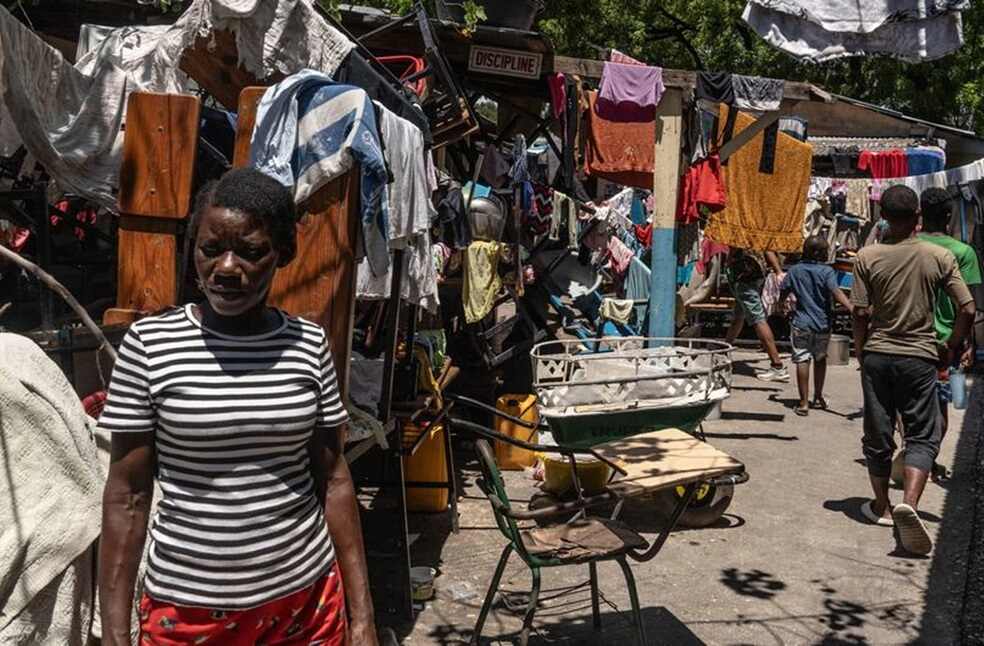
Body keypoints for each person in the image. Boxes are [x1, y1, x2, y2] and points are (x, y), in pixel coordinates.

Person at [98, 168, 378, 645]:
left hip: (305, 608)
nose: (227, 268)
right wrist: (114, 636)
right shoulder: (150, 346)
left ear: (282, 254)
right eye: (211, 250)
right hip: (187, 614)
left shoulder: (308, 346)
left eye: (250, 252)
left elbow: (333, 481)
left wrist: (363, 619)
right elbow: (128, 497)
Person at [851, 185, 975, 555]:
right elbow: (967, 308)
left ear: (883, 217)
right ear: (917, 218)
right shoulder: (938, 257)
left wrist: (861, 352)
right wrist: (952, 346)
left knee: (878, 432)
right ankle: (910, 504)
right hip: (920, 357)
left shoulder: (867, 256)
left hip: (877, 355)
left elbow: (859, 313)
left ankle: (880, 507)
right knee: (922, 434)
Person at [917, 187, 982, 442]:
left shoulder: (905, 247)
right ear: (948, 216)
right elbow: (972, 307)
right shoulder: (963, 253)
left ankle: (911, 454)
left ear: (920, 213)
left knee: (910, 404)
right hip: (948, 343)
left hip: (908, 341)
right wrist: (967, 344)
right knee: (941, 404)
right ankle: (926, 461)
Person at [779, 236, 853, 416]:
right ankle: (818, 395)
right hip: (822, 323)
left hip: (801, 323)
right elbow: (836, 293)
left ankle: (803, 402)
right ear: (819, 253)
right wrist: (851, 307)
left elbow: (783, 291)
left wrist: (781, 305)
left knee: (802, 359)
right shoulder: (827, 272)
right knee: (820, 359)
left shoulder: (795, 270)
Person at [725, 248, 789, 382]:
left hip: (743, 276)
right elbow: (768, 249)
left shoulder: (739, 231)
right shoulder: (757, 229)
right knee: (739, 314)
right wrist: (778, 271)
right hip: (756, 274)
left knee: (757, 319)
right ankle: (725, 349)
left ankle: (777, 365)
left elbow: (732, 251)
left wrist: (729, 261)